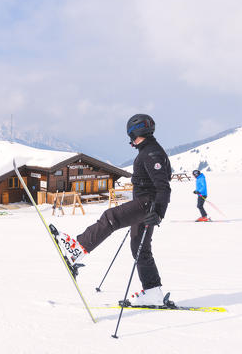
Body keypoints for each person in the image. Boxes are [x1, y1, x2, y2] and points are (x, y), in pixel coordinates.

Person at [52, 114, 171, 306]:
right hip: (148, 205)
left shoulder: (151, 154)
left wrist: (157, 212)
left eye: (131, 135)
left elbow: (163, 186)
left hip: (147, 204)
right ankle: (153, 291)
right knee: (139, 247)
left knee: (111, 217)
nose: (130, 140)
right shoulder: (150, 151)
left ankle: (77, 249)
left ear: (136, 132)